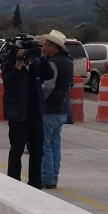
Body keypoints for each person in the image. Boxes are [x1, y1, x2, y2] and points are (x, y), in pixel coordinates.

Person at [1, 37, 54, 189]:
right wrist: (18, 64)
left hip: (35, 114)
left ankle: (35, 184)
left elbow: (49, 74)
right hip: (18, 115)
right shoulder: (9, 64)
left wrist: (42, 56)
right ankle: (13, 183)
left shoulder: (36, 62)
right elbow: (9, 84)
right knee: (16, 150)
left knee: (37, 151)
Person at [40, 30, 73, 190]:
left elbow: (48, 85)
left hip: (50, 108)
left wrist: (39, 99)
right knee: (54, 145)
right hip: (62, 108)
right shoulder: (67, 62)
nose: (44, 47)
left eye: (46, 45)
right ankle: (53, 177)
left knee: (44, 145)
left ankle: (46, 178)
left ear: (53, 46)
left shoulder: (53, 63)